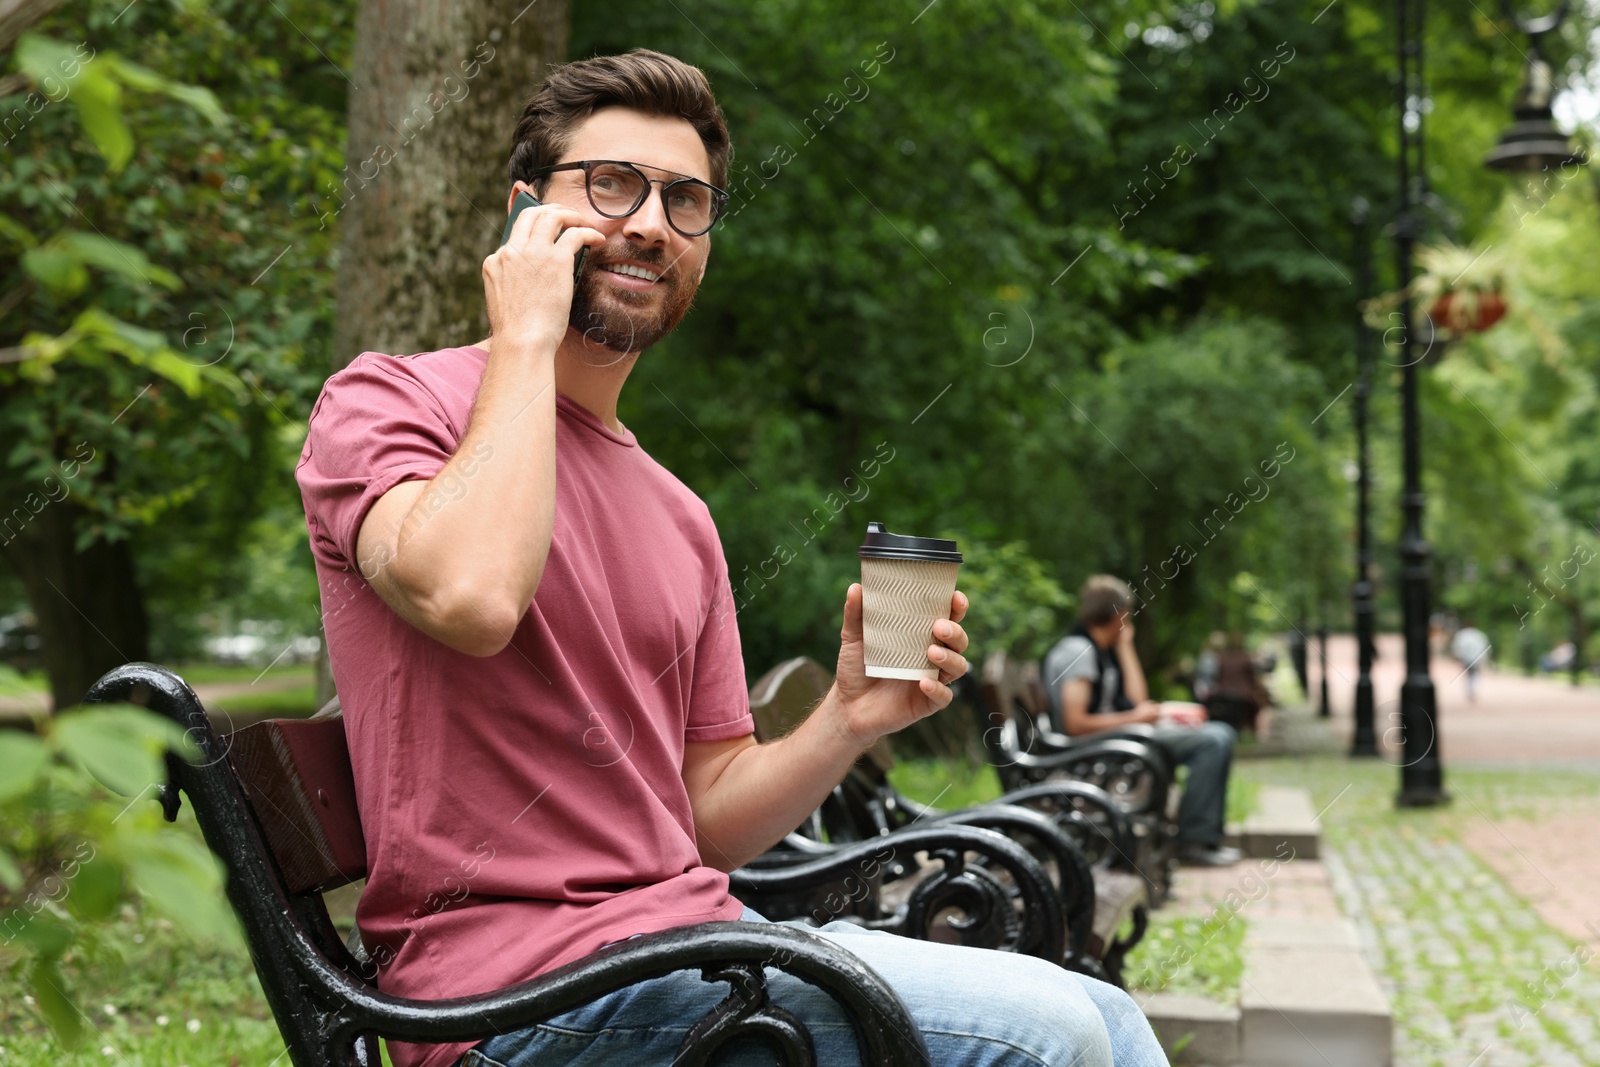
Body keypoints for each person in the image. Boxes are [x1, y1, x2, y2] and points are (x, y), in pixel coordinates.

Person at [295, 49, 1164, 1067]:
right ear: (524, 212)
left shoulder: (678, 514)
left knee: (1108, 1016)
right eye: (610, 184)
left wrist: (845, 718)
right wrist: (524, 335)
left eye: (686, 199)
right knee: (1047, 1039)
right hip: (516, 1003)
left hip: (694, 948)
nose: (652, 222)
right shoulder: (387, 402)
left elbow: (701, 819)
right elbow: (473, 594)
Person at [1042, 576, 1241, 867]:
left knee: (1219, 733)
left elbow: (1138, 700)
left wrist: (1125, 648)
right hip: (1094, 750)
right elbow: (1075, 724)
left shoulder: (1102, 651)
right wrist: (1136, 718)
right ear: (1119, 615)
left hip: (1120, 740)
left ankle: (1201, 836)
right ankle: (1195, 841)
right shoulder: (1079, 652)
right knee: (1212, 741)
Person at [1450, 622, 1491, 702]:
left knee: (1468, 675)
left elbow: (1457, 647)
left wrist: (1457, 657)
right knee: (1474, 675)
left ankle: (1470, 691)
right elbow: (1484, 647)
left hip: (1466, 659)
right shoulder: (1480, 635)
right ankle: (1472, 691)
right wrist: (1485, 658)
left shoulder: (1462, 635)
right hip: (1477, 658)